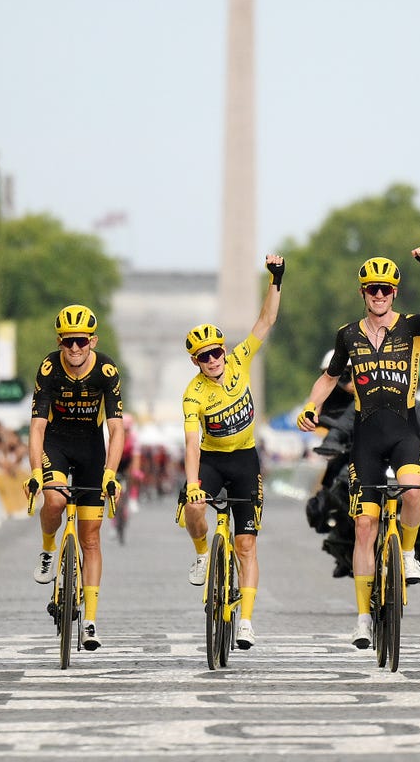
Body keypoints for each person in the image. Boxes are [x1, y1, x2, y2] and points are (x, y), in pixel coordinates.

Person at [296, 245, 420, 648]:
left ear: (395, 293)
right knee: (365, 526)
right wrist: (311, 405)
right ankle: (363, 619)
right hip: (367, 437)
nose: (379, 295)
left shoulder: (411, 327)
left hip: (403, 430)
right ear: (363, 293)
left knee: (414, 490)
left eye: (386, 289)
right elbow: (329, 378)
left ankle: (407, 554)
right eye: (372, 289)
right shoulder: (348, 335)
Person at [180, 255, 285, 651]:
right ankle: (202, 554)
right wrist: (193, 484)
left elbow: (265, 321)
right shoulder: (193, 393)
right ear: (195, 361)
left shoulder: (240, 360)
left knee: (246, 545)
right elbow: (191, 443)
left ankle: (246, 621)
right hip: (211, 459)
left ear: (225, 350)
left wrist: (276, 278)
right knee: (194, 507)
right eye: (204, 357)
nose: (213, 361)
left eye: (216, 353)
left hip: (244, 459)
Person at [25, 304, 125, 652]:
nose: (75, 349)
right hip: (57, 441)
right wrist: (36, 472)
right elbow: (37, 427)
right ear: (60, 342)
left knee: (91, 538)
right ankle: (48, 549)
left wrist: (110, 473)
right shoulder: (49, 368)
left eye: (82, 342)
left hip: (91, 449)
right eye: (68, 343)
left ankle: (92, 620)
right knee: (54, 499)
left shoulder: (107, 370)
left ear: (93, 341)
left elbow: (116, 428)